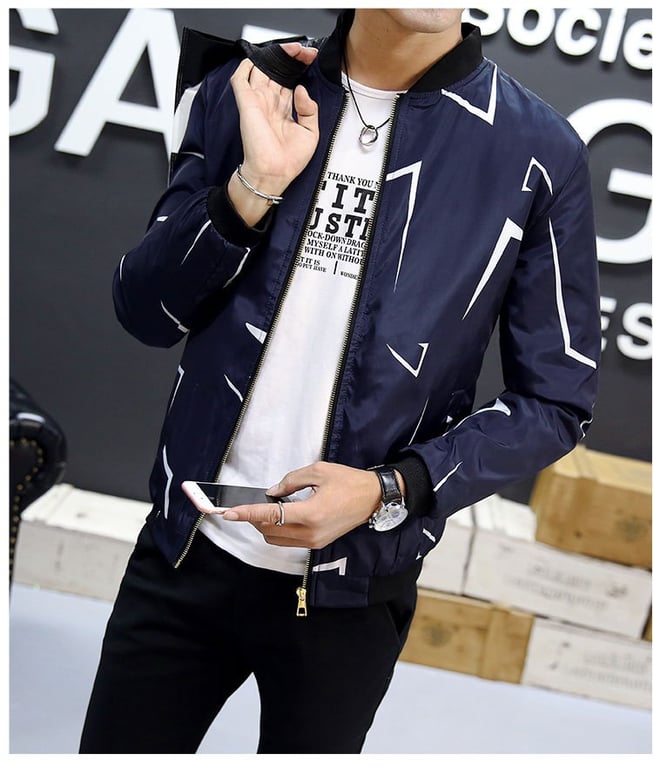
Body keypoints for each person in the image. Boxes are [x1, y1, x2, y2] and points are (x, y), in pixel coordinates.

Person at [80, 8, 601, 754]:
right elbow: (145, 310)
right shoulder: (250, 87)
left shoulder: (538, 152)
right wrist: (254, 186)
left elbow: (555, 401)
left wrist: (389, 489)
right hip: (185, 549)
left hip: (351, 590)